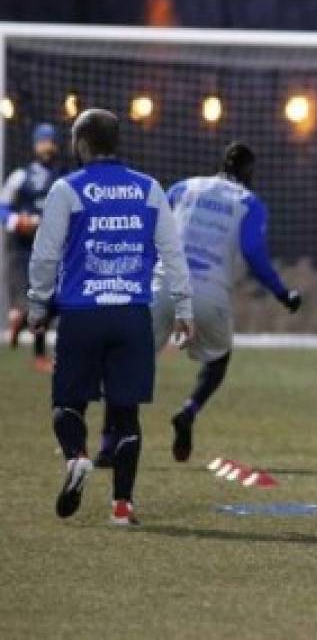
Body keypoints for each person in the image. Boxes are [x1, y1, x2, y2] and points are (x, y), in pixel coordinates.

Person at [27, 109, 193, 526]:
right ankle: (122, 506)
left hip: (82, 314)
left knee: (68, 403)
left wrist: (36, 305)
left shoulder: (67, 189)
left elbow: (45, 254)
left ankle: (78, 457)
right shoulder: (149, 189)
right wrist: (184, 308)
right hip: (132, 315)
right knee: (126, 414)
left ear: (81, 144)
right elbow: (173, 254)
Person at [139, 142, 301, 465]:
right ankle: (189, 410)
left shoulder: (183, 187)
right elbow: (254, 254)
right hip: (209, 293)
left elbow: (150, 231)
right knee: (218, 359)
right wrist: (283, 293)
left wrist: (139, 278)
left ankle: (110, 442)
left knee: (133, 363)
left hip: (164, 285)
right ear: (249, 171)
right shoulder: (249, 203)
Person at [3, 123, 64, 369]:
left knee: (49, 300)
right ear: (35, 144)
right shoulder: (21, 176)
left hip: (51, 247)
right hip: (23, 246)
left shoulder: (63, 177)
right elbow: (2, 206)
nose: (47, 147)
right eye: (43, 141)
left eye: (51, 141)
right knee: (33, 300)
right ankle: (21, 319)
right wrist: (17, 221)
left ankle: (27, 330)